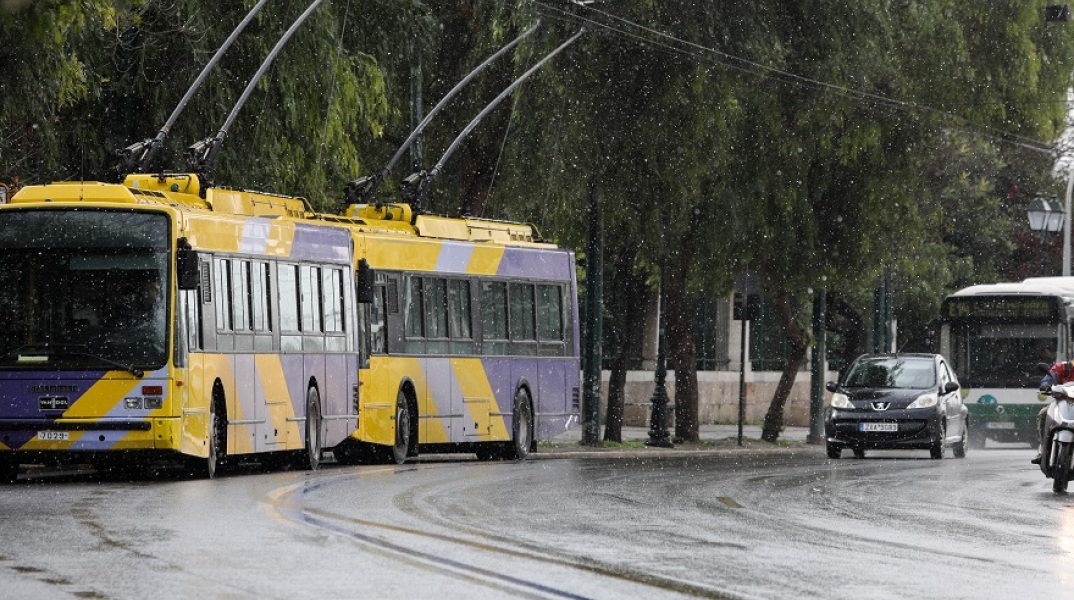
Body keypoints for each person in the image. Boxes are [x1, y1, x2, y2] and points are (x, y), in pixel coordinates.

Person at [1033, 358, 1074, 464]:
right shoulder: (1064, 367)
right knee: (1044, 414)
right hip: (1061, 403)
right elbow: (1050, 377)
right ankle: (1043, 447)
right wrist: (1046, 385)